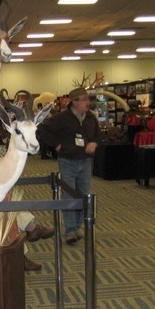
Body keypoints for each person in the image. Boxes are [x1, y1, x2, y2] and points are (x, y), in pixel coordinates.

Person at [37, 87, 100, 245]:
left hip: (85, 161)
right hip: (67, 161)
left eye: (87, 99)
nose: (87, 102)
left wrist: (94, 142)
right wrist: (56, 145)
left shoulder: (90, 117)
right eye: (84, 99)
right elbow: (41, 130)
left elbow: (97, 134)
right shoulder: (61, 118)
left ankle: (76, 227)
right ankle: (70, 230)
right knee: (69, 195)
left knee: (82, 194)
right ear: (75, 102)